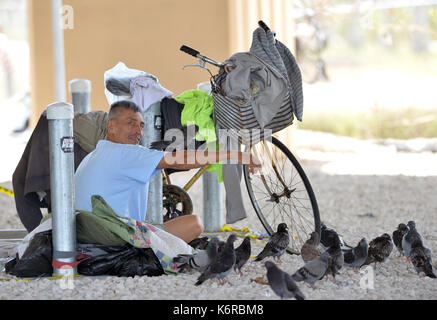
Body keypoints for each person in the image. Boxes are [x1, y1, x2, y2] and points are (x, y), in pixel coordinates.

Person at [74, 100, 262, 243]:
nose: (138, 131)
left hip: (87, 235)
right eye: (131, 123)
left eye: (141, 125)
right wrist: (238, 155)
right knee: (194, 224)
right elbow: (182, 160)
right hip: (115, 239)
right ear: (111, 125)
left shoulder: (94, 155)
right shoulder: (126, 153)